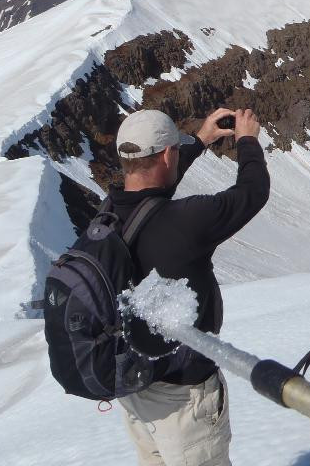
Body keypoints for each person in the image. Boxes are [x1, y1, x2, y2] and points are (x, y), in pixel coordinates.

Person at [109, 105, 270, 466]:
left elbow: (151, 197)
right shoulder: (188, 220)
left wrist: (199, 141)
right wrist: (247, 141)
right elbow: (252, 191)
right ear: (168, 154)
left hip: (136, 388)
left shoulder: (109, 215)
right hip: (185, 398)